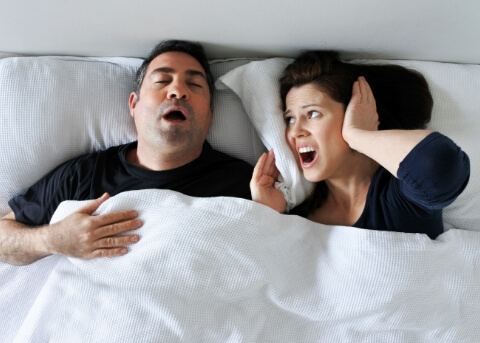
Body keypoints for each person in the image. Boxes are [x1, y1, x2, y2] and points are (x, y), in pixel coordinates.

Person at [0, 40, 253, 265]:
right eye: (162, 81)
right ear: (134, 104)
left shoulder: (246, 184)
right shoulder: (85, 174)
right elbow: (4, 236)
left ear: (211, 114)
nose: (177, 91)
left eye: (195, 83)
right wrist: (53, 239)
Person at [250, 51, 470, 239]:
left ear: (355, 114)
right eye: (290, 119)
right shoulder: (297, 220)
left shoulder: (403, 197)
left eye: (313, 113)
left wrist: (358, 136)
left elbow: (438, 163)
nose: (295, 131)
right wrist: (266, 217)